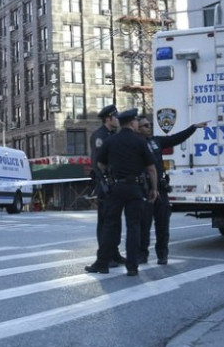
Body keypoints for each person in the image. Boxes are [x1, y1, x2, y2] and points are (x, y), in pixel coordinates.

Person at [86, 108, 157, 277]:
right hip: (135, 188)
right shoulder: (140, 141)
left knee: (110, 225)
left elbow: (100, 164)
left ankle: (102, 263)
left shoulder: (111, 140)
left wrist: (112, 171)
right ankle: (132, 266)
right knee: (133, 227)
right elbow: (151, 168)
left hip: (116, 187)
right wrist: (153, 189)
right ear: (133, 123)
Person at [137, 116, 209, 264]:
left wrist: (193, 127)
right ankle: (142, 254)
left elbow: (176, 139)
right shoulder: (135, 144)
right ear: (137, 129)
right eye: (145, 125)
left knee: (163, 224)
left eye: (150, 124)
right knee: (144, 224)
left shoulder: (155, 141)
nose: (149, 127)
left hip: (161, 189)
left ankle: (162, 254)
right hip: (144, 189)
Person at [90, 104, 126, 265]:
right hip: (105, 184)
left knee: (115, 220)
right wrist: (105, 182)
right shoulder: (100, 136)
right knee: (105, 222)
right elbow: (97, 163)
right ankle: (106, 255)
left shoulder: (113, 134)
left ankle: (114, 252)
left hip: (115, 183)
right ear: (108, 118)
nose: (118, 120)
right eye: (115, 117)